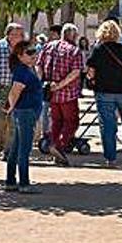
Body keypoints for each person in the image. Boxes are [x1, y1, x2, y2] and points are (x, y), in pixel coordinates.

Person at [86, 20, 122, 167]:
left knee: (108, 125)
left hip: (104, 91)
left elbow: (90, 72)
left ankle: (111, 158)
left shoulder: (98, 50)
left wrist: (93, 79)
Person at [37, 23, 85, 166]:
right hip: (67, 94)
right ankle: (59, 145)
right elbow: (75, 72)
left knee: (56, 122)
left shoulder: (48, 46)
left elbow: (38, 65)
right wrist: (59, 85)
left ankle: (55, 148)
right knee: (72, 122)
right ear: (73, 36)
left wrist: (43, 81)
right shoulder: (74, 51)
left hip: (50, 93)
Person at [4, 41, 43, 193]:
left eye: (34, 51)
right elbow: (14, 92)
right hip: (25, 112)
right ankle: (24, 183)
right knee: (24, 150)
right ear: (19, 56)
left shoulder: (27, 69)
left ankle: (11, 181)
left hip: (25, 112)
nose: (34, 55)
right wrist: (12, 108)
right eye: (29, 53)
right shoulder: (22, 71)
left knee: (16, 148)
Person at [0, 23, 26, 158]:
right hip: (1, 87)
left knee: (14, 120)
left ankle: (9, 149)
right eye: (17, 34)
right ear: (9, 34)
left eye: (21, 34)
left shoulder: (24, 48)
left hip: (18, 88)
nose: (20, 37)